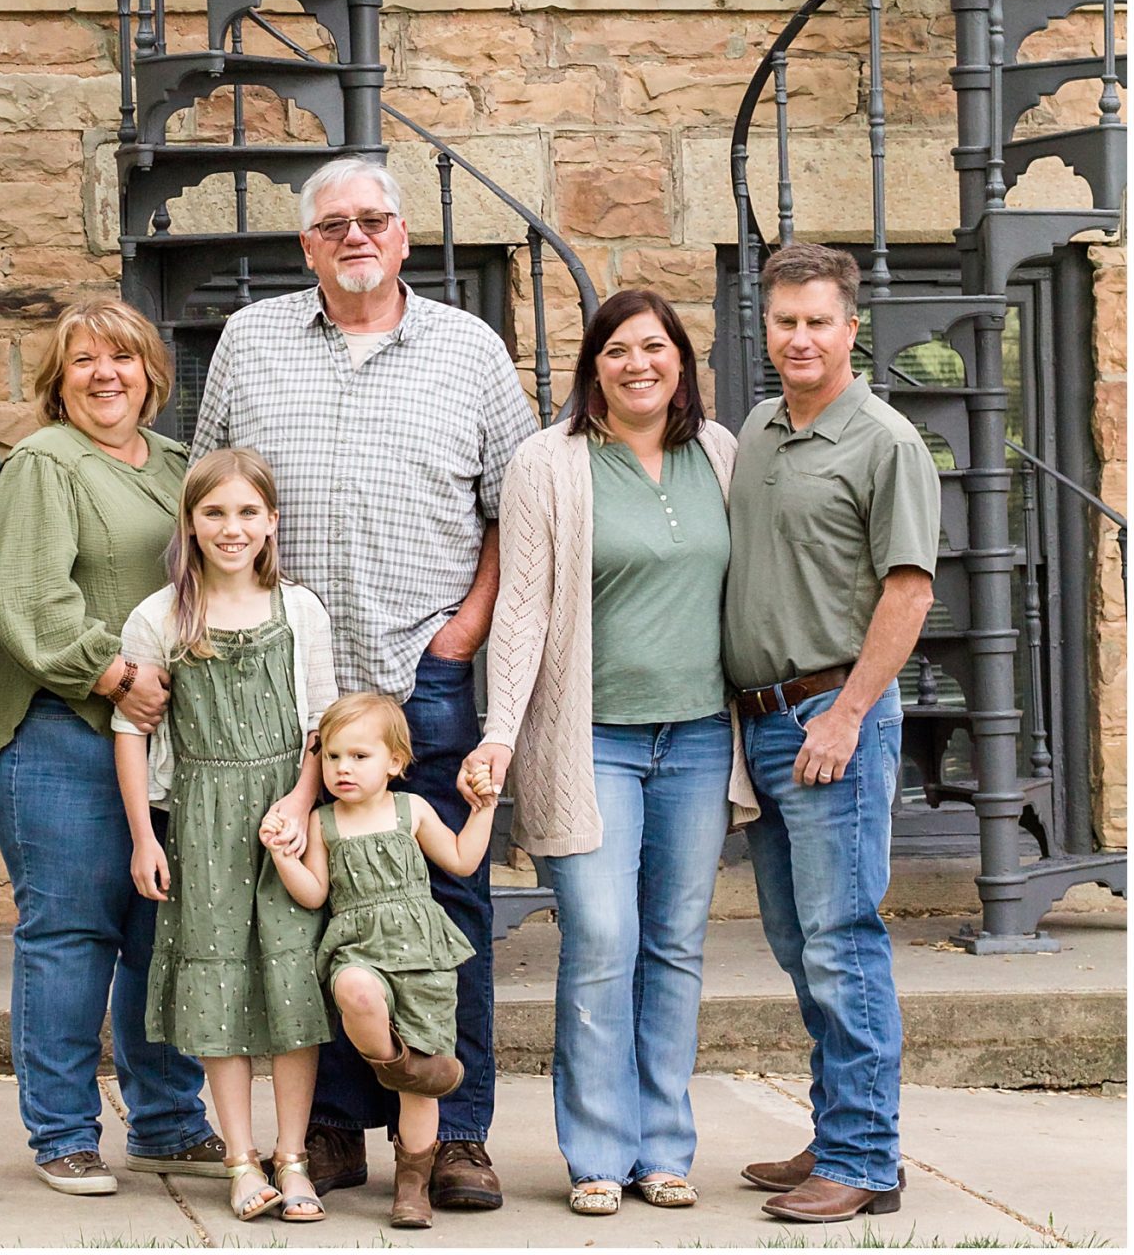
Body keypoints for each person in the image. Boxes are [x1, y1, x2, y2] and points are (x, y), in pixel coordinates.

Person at [192, 153, 534, 1213]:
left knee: (444, 905)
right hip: (285, 685)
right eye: (332, 224)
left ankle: (458, 1131)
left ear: (402, 237)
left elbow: (512, 513)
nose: (354, 237)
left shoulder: (469, 351)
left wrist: (461, 634)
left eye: (373, 220)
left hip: (416, 678)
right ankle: (334, 1127)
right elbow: (209, 493)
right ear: (307, 245)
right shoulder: (249, 342)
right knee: (310, 909)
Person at [462, 288, 758, 1216]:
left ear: (680, 361)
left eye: (655, 348)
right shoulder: (547, 464)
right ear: (593, 366)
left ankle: (662, 1148)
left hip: (701, 738)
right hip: (591, 741)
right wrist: (502, 732)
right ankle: (596, 1152)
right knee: (598, 939)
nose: (639, 364)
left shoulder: (720, 455)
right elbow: (520, 608)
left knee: (671, 946)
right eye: (618, 350)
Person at [0, 297, 222, 1196]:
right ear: (58, 380)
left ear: (151, 373)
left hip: (166, 743)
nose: (103, 375)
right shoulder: (44, 463)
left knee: (162, 934)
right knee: (71, 934)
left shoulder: (173, 464)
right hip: (64, 732)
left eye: (120, 358)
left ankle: (165, 1122)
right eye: (82, 362)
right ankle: (62, 1132)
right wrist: (112, 674)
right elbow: (26, 599)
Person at [728, 244, 941, 1226]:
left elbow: (908, 587)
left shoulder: (884, 440)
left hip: (831, 721)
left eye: (818, 320)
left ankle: (865, 1157)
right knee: (796, 938)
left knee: (842, 937)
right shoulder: (760, 430)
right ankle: (840, 1127)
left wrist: (849, 713)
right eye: (784, 321)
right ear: (764, 328)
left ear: (851, 327)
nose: (799, 337)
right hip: (763, 724)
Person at [114, 448, 337, 1223]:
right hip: (202, 820)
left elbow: (321, 724)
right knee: (219, 983)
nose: (231, 528)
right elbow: (130, 732)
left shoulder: (299, 609)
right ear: (190, 523)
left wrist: (303, 805)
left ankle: (294, 1154)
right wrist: (145, 836)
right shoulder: (162, 615)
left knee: (289, 982)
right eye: (214, 513)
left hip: (283, 819)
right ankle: (241, 1158)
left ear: (271, 521)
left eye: (247, 512)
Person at [271, 693, 498, 1230]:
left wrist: (484, 810)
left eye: (359, 756)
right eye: (331, 757)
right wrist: (285, 857)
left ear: (395, 762)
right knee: (354, 990)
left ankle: (412, 1186)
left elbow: (463, 861)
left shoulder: (411, 810)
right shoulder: (324, 824)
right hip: (358, 947)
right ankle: (395, 1063)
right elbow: (314, 894)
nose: (342, 768)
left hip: (422, 956)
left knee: (420, 1091)